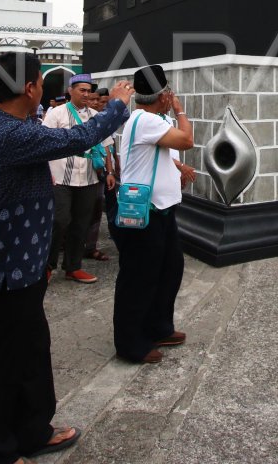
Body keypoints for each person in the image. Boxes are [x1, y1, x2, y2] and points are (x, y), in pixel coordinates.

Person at [0, 53, 134, 464]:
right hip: (5, 268)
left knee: (31, 352)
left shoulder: (17, 125)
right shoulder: (7, 132)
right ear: (29, 88)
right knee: (3, 362)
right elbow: (75, 140)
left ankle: (32, 431)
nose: (44, 86)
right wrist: (115, 105)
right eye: (41, 80)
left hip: (23, 263)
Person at [110, 65, 194, 364]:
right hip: (144, 212)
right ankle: (130, 342)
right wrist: (181, 111)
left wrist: (180, 169)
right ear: (163, 95)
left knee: (169, 268)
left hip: (163, 208)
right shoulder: (144, 120)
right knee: (139, 277)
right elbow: (186, 140)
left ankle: (158, 326)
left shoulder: (155, 120)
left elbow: (166, 155)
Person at [43, 74, 108, 284]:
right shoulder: (56, 114)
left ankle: (73, 267)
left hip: (88, 177)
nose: (86, 94)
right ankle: (47, 265)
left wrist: (110, 172)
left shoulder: (96, 116)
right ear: (70, 91)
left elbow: (105, 145)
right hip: (61, 177)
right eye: (82, 90)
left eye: (89, 91)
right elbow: (43, 142)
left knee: (81, 223)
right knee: (59, 221)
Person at [84, 86, 116, 263]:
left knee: (96, 211)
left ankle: (90, 247)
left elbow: (107, 147)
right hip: (77, 174)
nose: (96, 103)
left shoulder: (100, 120)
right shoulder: (75, 117)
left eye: (99, 100)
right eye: (93, 99)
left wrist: (110, 171)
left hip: (98, 173)